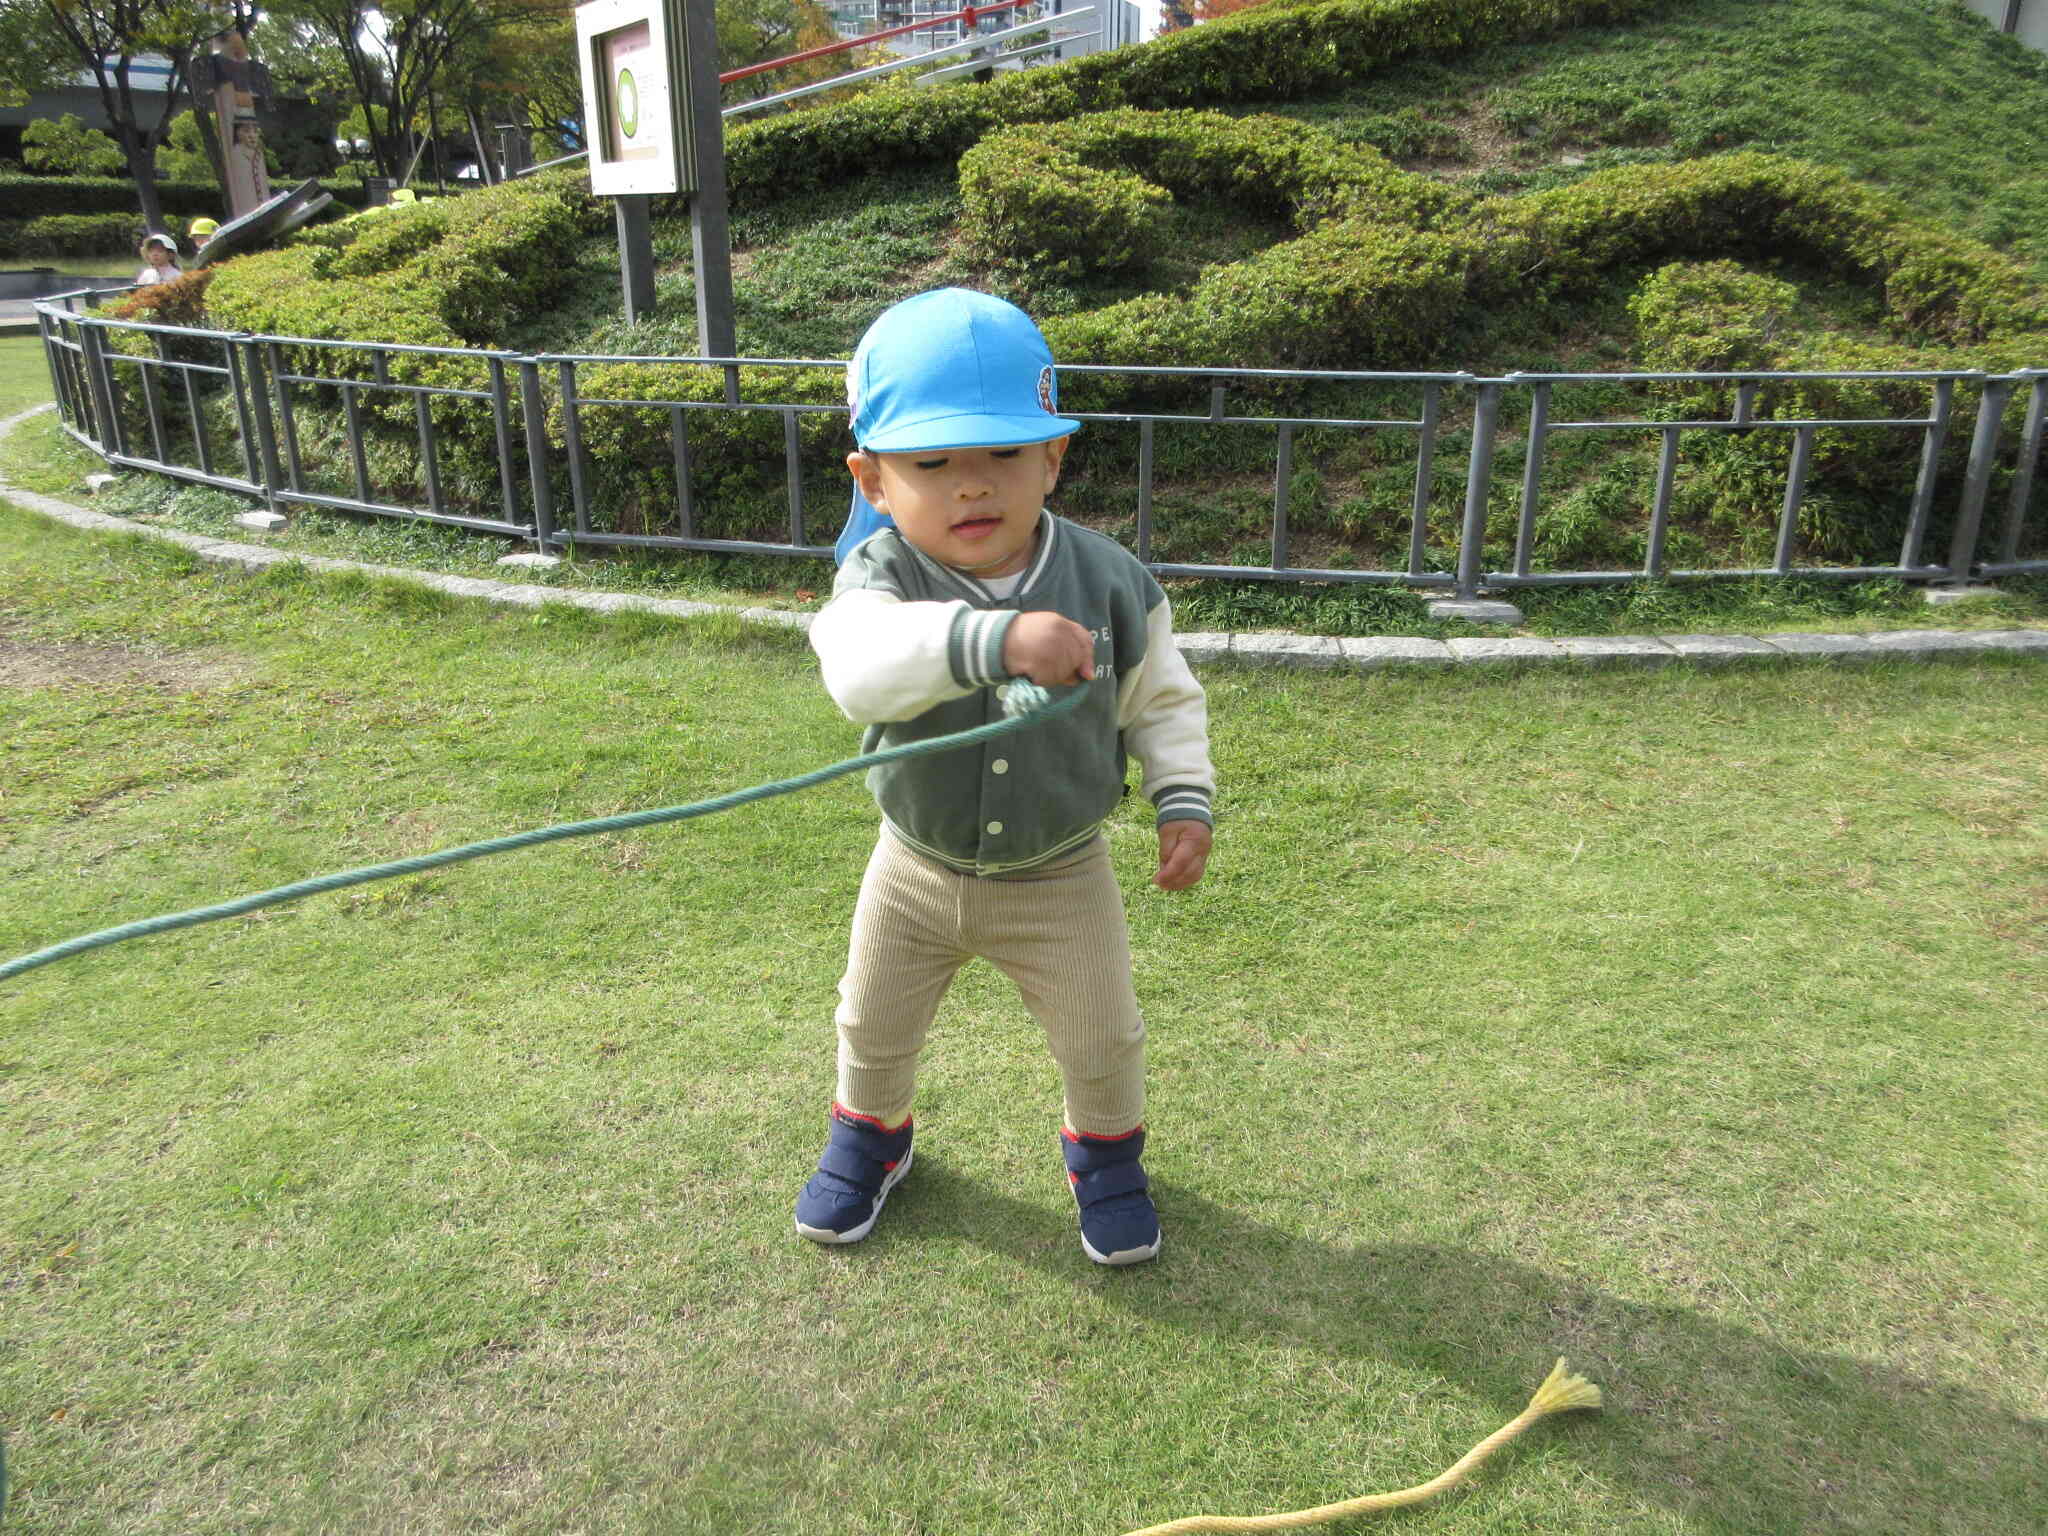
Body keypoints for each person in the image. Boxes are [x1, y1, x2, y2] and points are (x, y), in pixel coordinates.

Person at [797, 288, 1215, 1266]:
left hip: (1058, 871)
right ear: (871, 479)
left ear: (1053, 459)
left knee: (1101, 1036)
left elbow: (1160, 697)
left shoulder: (1110, 579)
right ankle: (872, 1137)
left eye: (1002, 456)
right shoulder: (880, 576)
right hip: (913, 863)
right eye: (932, 464)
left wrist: (1179, 798)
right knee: (870, 1020)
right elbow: (856, 670)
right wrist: (992, 639)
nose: (971, 487)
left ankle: (1106, 1162)